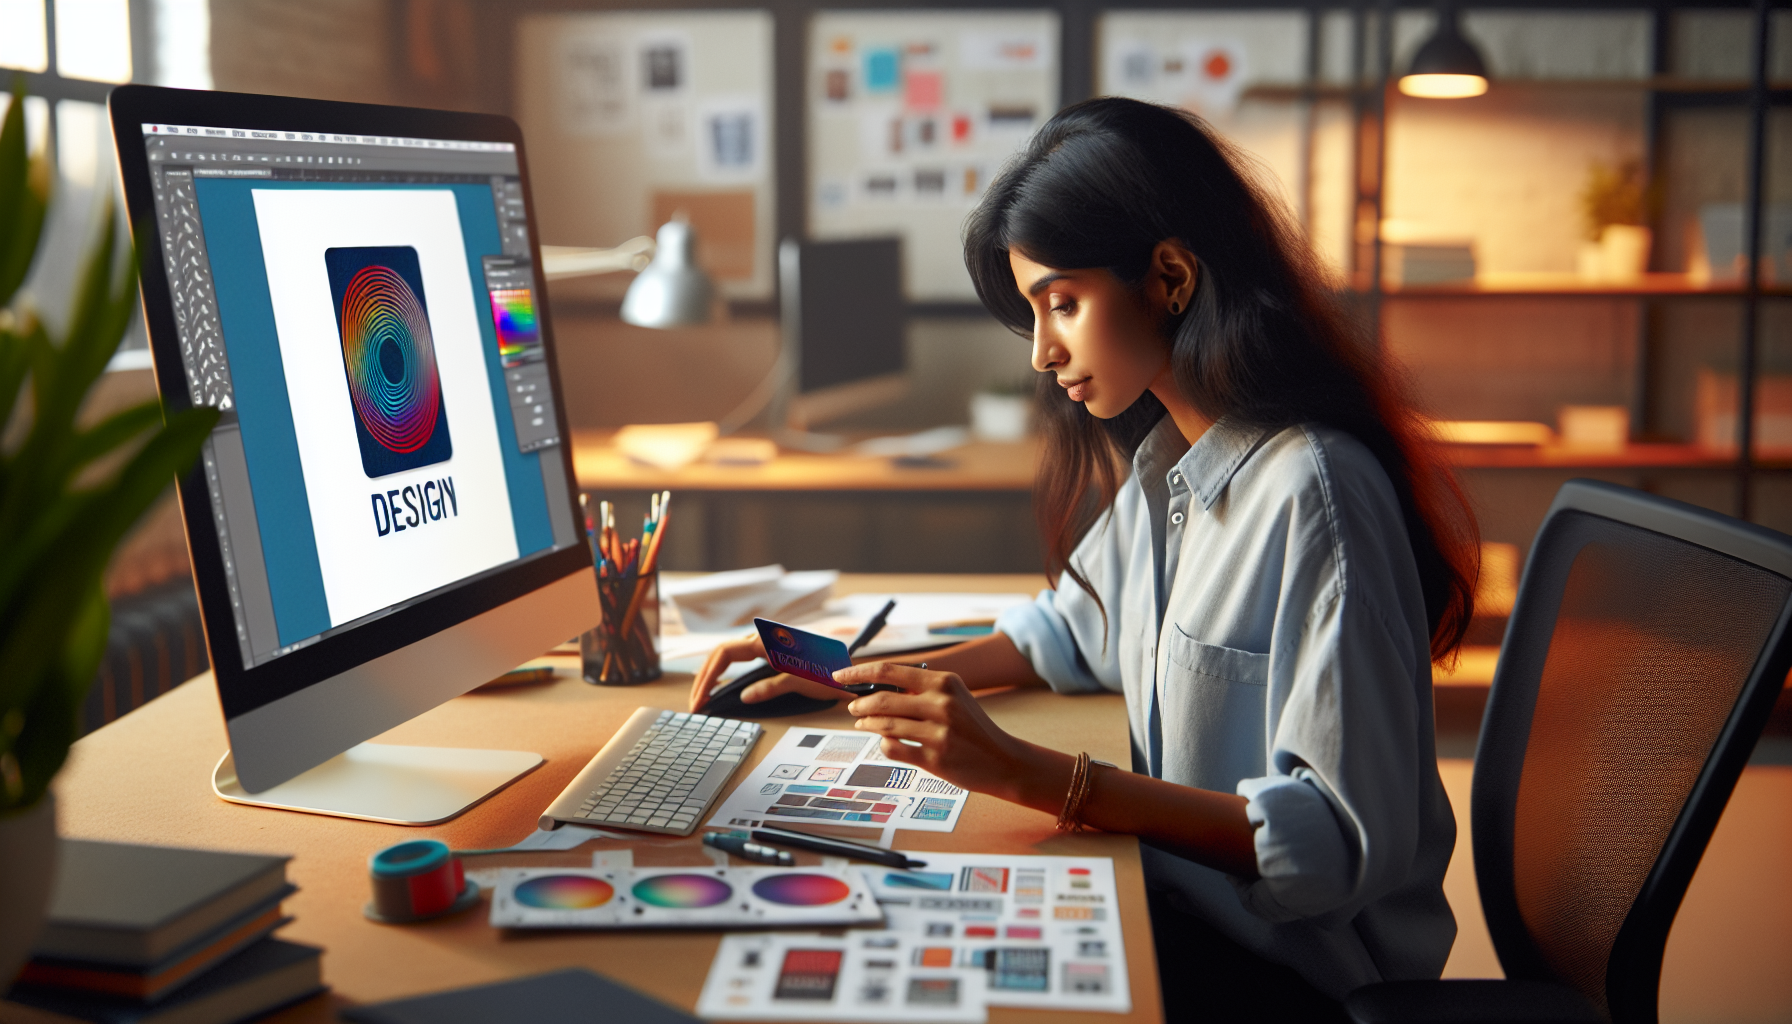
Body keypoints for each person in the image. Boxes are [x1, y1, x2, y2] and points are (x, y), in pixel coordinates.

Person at [690, 97, 1477, 1022]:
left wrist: (1036, 777)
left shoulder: (1313, 491)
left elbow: (1333, 845)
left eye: (1061, 303)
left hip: (1291, 976)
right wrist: (842, 674)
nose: (1040, 351)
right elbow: (1061, 634)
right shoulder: (1171, 463)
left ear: (1171, 277)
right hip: (1174, 908)